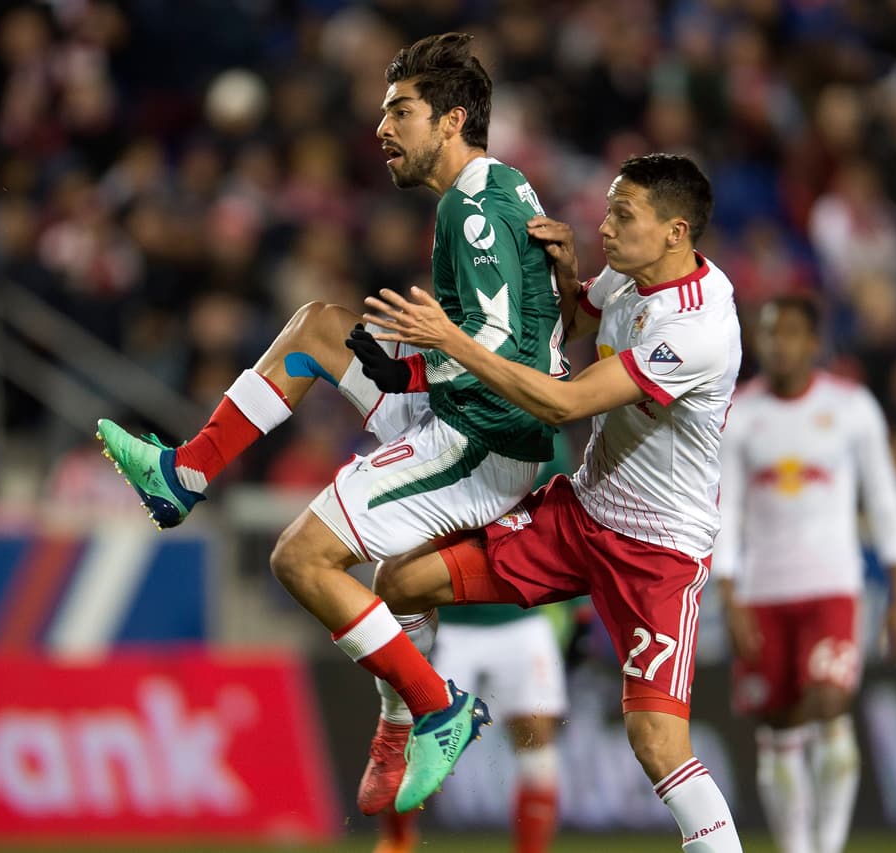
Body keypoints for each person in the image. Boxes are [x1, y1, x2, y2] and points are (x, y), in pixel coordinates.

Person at [97, 32, 567, 809]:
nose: (383, 128)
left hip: (480, 437)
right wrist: (408, 371)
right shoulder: (507, 186)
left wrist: (411, 368)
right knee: (320, 325)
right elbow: (531, 321)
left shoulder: (472, 207)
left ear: (451, 120)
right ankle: (185, 474)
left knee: (302, 559)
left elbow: (493, 340)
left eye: (401, 112)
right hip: (469, 410)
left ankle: (436, 706)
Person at [360, 153, 746, 851]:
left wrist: (452, 341)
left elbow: (563, 398)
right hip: (580, 515)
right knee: (399, 578)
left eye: (623, 215)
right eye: (606, 209)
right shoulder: (630, 279)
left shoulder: (697, 330)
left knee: (657, 742)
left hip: (657, 554)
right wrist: (568, 277)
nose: (603, 226)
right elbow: (568, 328)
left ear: (675, 231)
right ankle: (428, 712)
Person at [713, 295, 896, 853]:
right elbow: (724, 510)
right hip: (763, 590)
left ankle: (826, 846)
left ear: (813, 341)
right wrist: (729, 597)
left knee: (828, 702)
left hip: (832, 584)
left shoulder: (851, 407)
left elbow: (885, 500)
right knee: (778, 725)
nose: (780, 344)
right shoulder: (741, 415)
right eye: (771, 333)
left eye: (792, 333)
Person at [373, 603, 567, 853]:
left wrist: (580, 605)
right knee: (416, 737)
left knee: (536, 738)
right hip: (446, 624)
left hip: (521, 619)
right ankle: (397, 841)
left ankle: (532, 850)